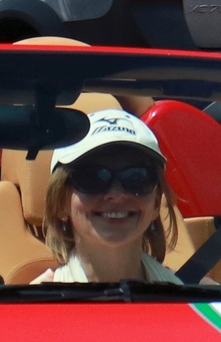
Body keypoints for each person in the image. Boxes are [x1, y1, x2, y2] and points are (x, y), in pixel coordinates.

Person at [33, 109, 183, 285]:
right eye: (93, 178)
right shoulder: (34, 309)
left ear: (156, 202)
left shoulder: (201, 303)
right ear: (60, 201)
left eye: (136, 178)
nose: (116, 194)